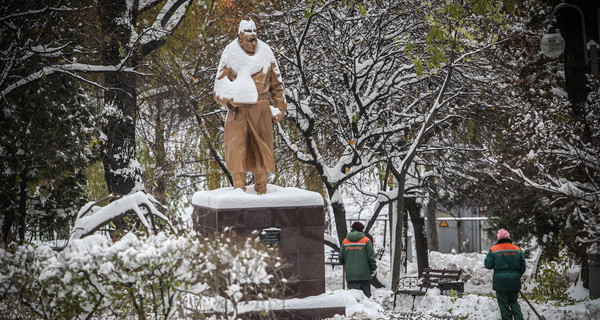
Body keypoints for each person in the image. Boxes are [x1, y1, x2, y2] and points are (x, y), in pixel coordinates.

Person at [213, 18, 287, 193]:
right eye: (249, 39)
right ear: (240, 37)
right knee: (237, 151)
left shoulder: (266, 52)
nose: (253, 42)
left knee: (262, 151)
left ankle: (261, 188)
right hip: (238, 112)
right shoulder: (230, 54)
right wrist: (230, 100)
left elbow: (277, 86)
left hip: (261, 110)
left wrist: (279, 108)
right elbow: (218, 88)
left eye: (255, 38)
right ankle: (239, 189)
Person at [484, 228, 526, 320]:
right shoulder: (517, 249)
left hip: (500, 282)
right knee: (513, 301)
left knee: (503, 303)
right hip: (514, 281)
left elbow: (488, 265)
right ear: (508, 237)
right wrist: (516, 275)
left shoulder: (494, 249)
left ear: (498, 238)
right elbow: (523, 266)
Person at [339, 221, 377, 298]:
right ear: (362, 229)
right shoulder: (366, 240)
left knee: (354, 298)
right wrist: (373, 268)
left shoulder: (345, 241)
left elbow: (341, 258)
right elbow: (371, 256)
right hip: (364, 274)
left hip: (351, 274)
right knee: (366, 297)